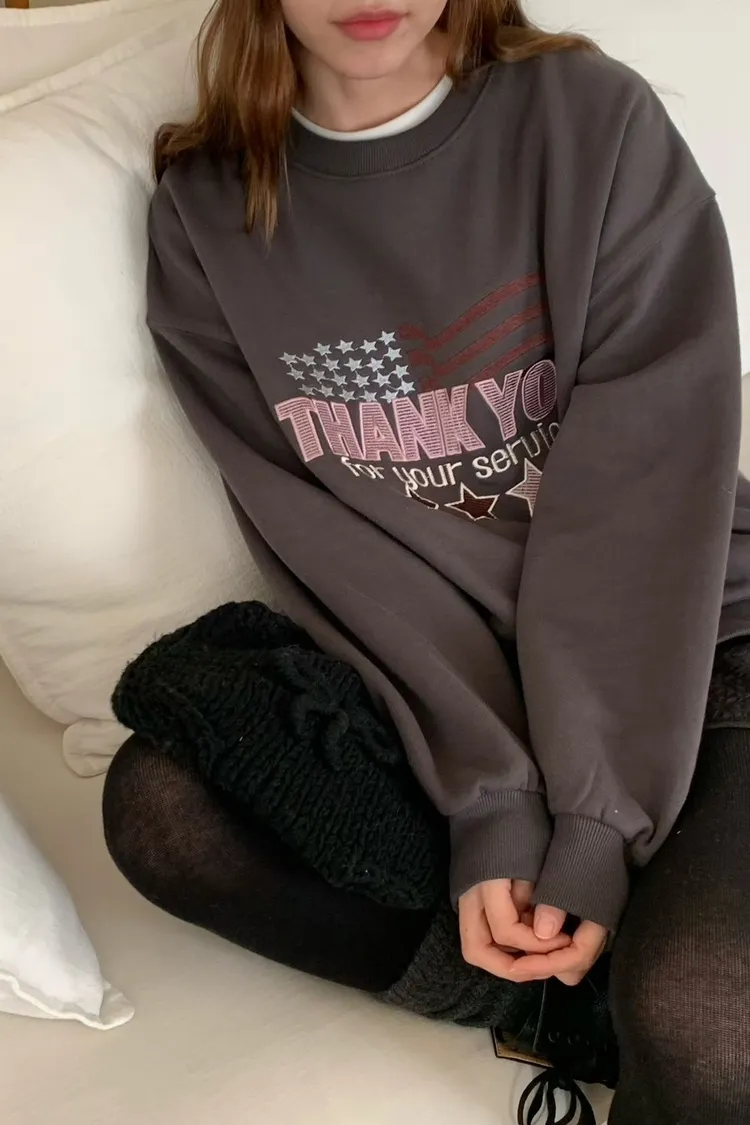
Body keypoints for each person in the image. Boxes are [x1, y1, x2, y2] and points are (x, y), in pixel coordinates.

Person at [101, 1, 750, 1122]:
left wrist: (594, 819)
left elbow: (644, 494)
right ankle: (580, 994)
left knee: (707, 1027)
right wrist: (492, 798)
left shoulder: (587, 119)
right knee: (162, 806)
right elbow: (328, 545)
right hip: (439, 687)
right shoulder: (206, 214)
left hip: (692, 642)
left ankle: (631, 983)